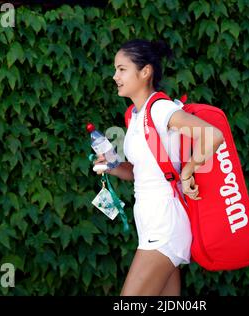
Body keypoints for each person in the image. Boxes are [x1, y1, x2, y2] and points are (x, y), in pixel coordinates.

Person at [93, 39, 224, 296]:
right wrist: (112, 166)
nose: (114, 76)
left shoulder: (160, 109)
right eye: (115, 69)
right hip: (152, 224)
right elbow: (142, 173)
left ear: (145, 71)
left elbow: (212, 134)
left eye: (122, 69)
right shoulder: (134, 115)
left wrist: (188, 172)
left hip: (165, 225)